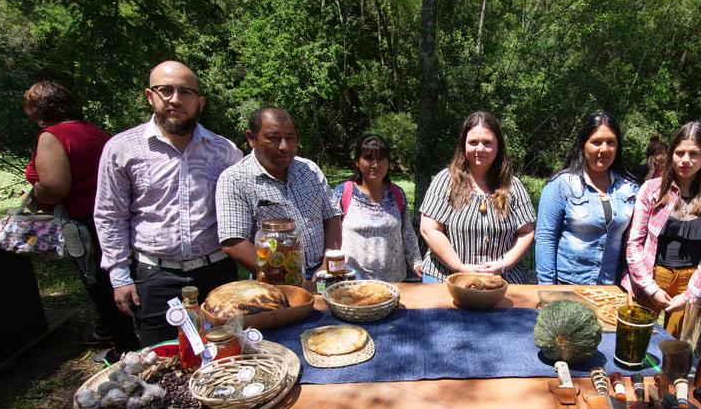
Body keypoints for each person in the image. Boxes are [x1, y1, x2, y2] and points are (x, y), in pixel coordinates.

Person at [95, 61, 241, 346]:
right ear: (150, 95)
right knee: (166, 362)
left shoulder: (224, 151)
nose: (175, 99)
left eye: (185, 92)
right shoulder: (122, 149)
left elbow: (243, 209)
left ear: (199, 102)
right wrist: (119, 276)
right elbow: (110, 215)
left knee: (228, 354)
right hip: (155, 277)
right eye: (166, 90)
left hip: (218, 274)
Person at [22, 81, 139, 359]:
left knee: (100, 284)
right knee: (115, 278)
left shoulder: (52, 136)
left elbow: (56, 185)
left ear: (40, 110)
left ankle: (125, 348)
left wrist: (35, 194)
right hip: (112, 217)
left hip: (84, 222)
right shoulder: (94, 132)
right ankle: (124, 333)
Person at [622, 121, 701, 335]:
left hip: (690, 283)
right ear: (671, 154)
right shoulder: (652, 190)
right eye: (680, 153)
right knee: (634, 341)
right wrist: (651, 288)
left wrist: (690, 294)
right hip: (650, 277)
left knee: (674, 351)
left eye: (694, 154)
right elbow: (634, 243)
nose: (685, 160)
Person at [216, 106, 342, 280]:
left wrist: (327, 264)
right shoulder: (235, 179)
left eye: (290, 138)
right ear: (252, 138)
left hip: (322, 273)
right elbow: (233, 242)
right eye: (273, 139)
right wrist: (284, 275)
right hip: (274, 279)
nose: (284, 147)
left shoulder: (309, 170)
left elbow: (332, 217)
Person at [419, 111, 536, 283]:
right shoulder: (445, 180)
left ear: (498, 146)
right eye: (473, 142)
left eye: (487, 142)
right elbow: (429, 229)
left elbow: (526, 232)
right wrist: (459, 267)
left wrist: (504, 264)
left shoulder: (513, 185)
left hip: (502, 280)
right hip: (446, 278)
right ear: (463, 145)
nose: (480, 148)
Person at [534, 111, 638, 285]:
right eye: (596, 142)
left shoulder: (630, 188)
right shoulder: (561, 185)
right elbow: (545, 238)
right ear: (583, 144)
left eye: (611, 142)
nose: (604, 149)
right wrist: (547, 288)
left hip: (610, 287)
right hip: (568, 286)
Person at [331, 134, 422, 282]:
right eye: (369, 158)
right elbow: (331, 236)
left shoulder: (397, 194)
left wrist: (416, 262)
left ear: (388, 163)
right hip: (352, 282)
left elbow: (407, 233)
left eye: (381, 159)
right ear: (357, 162)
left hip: (394, 282)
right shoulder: (342, 193)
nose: (375, 165)